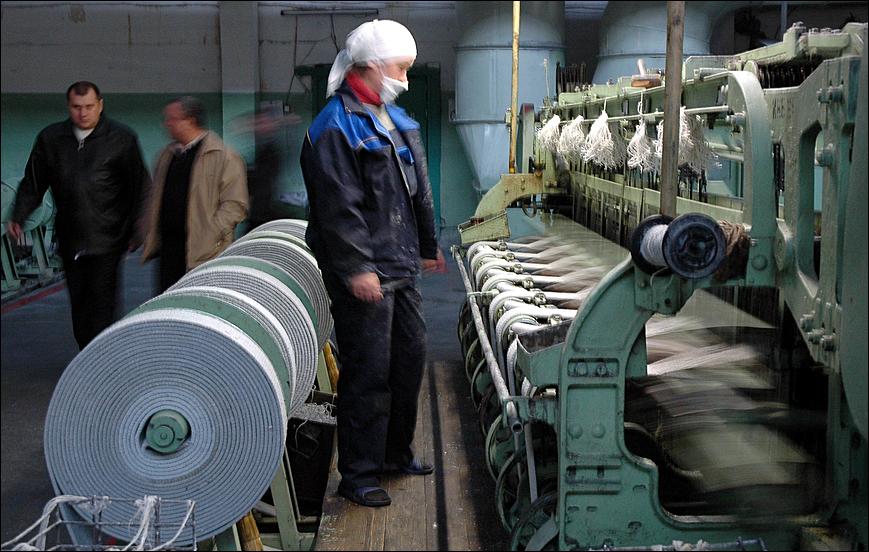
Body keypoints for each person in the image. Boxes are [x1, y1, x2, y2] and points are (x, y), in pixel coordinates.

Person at [300, 19, 446, 508]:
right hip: (364, 271)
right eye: (400, 68)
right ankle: (359, 473)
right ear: (369, 67)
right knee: (368, 371)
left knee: (408, 361)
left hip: (400, 264)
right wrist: (357, 268)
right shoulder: (333, 127)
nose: (404, 78)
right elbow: (338, 208)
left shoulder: (395, 120)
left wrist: (428, 244)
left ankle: (394, 454)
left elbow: (416, 190)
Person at [7, 81, 150, 350]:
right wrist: (19, 214)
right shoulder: (52, 139)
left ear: (100, 105)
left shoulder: (121, 139)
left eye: (88, 106)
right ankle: (87, 351)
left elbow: (139, 187)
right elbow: (34, 182)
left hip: (108, 238)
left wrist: (137, 231)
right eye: (76, 107)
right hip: (70, 237)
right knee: (80, 302)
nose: (83, 113)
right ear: (68, 106)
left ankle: (99, 356)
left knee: (103, 302)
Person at [142, 96, 248, 292]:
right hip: (168, 251)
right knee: (168, 301)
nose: (167, 124)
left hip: (205, 252)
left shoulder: (224, 157)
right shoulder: (166, 156)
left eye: (172, 119)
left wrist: (211, 233)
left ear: (190, 121)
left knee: (198, 301)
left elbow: (236, 204)